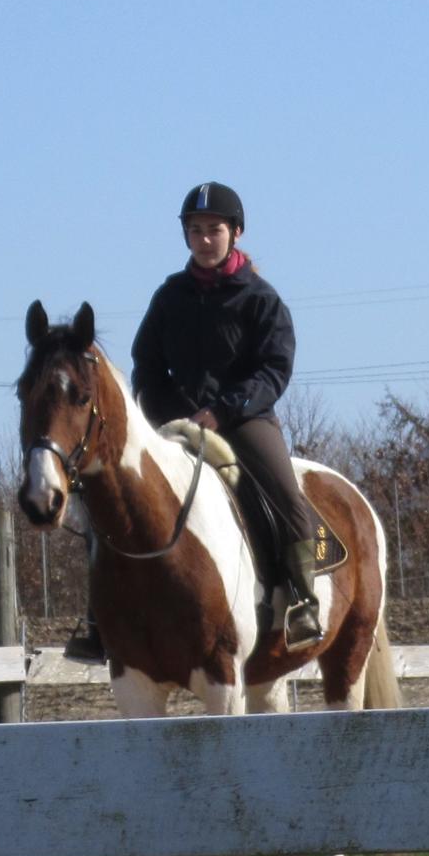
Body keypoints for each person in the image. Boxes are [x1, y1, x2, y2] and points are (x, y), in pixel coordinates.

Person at [64, 181, 322, 661]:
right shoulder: (169, 297)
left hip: (243, 422)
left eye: (214, 230)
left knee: (287, 497)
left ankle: (302, 599)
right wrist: (165, 413)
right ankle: (100, 618)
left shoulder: (261, 300)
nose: (205, 239)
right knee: (112, 501)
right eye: (196, 230)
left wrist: (223, 409)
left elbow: (274, 368)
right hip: (173, 422)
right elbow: (145, 365)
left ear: (236, 233)